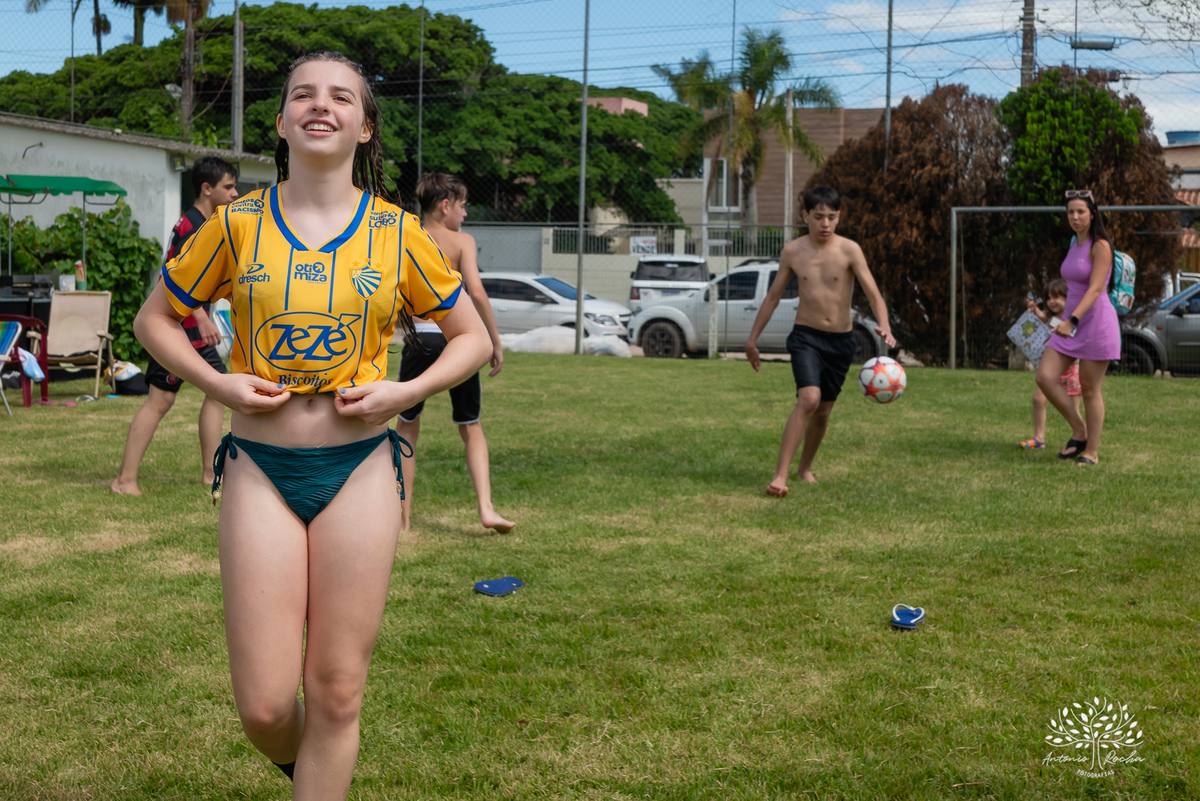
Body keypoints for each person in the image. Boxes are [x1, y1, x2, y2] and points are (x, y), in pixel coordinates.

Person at [133, 52, 491, 799]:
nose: (319, 106)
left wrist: (405, 390)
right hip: (260, 467)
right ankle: (317, 775)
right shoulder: (236, 224)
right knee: (265, 706)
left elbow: (472, 338)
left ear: (365, 127)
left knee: (335, 692)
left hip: (360, 467)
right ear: (281, 120)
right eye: (303, 94)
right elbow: (154, 319)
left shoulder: (396, 233)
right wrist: (217, 378)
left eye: (339, 97)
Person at [745, 186, 896, 496]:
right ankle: (780, 476)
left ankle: (805, 468)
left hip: (841, 342)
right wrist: (752, 340)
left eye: (831, 217)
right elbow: (773, 298)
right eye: (818, 217)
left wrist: (885, 325)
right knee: (809, 399)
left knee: (824, 411)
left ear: (839, 218)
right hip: (806, 338)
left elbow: (873, 293)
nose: (825, 224)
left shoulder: (850, 250)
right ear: (805, 216)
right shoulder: (793, 251)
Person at [111, 157, 239, 495]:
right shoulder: (195, 226)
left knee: (188, 396)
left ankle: (205, 475)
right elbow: (174, 277)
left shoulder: (197, 221)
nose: (234, 193)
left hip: (182, 328)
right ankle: (127, 480)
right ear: (206, 188)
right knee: (201, 393)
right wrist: (200, 317)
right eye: (228, 187)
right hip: (177, 329)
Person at [395, 173, 514, 533]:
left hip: (419, 340)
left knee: (407, 427)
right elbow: (475, 292)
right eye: (462, 207)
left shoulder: (408, 235)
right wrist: (493, 341)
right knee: (471, 427)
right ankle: (486, 508)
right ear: (446, 206)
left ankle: (401, 519)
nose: (464, 215)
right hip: (457, 340)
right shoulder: (462, 241)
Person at [1036, 189, 1121, 465]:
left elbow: (1096, 288)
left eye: (1080, 211)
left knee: (1089, 389)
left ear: (1092, 214)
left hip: (1095, 323)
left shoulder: (1101, 245)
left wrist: (1071, 320)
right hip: (1069, 324)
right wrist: (1066, 320)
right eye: (1070, 211)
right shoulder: (1075, 241)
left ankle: (1091, 452)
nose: (1075, 216)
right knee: (1045, 378)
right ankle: (1079, 430)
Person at [1020, 279, 1081, 450]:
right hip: (1053, 369)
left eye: (1057, 297)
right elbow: (1043, 317)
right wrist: (1035, 310)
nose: (1052, 301)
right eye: (1048, 298)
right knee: (1038, 399)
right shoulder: (1052, 316)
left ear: (1068, 298)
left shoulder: (1072, 318)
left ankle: (1083, 438)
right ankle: (1039, 438)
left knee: (1072, 410)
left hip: (1071, 368)